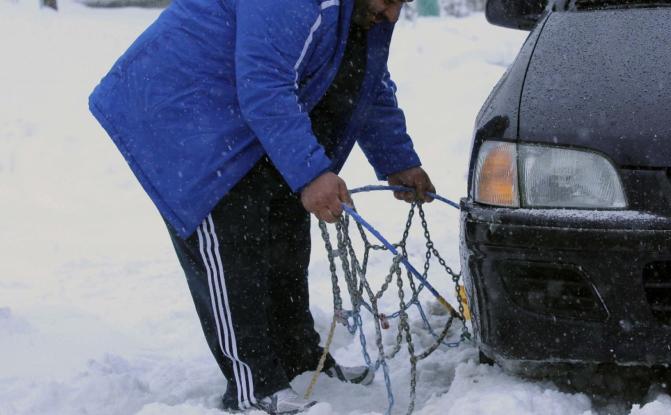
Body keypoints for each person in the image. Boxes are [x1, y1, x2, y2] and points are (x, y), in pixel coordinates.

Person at [89, 0, 435, 413]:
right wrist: (310, 173)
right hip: (182, 108)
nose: (393, 14)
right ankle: (253, 387)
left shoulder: (359, 11)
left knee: (283, 234)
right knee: (232, 243)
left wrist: (398, 159)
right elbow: (264, 83)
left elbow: (362, 78)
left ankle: (301, 363)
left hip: (240, 107)